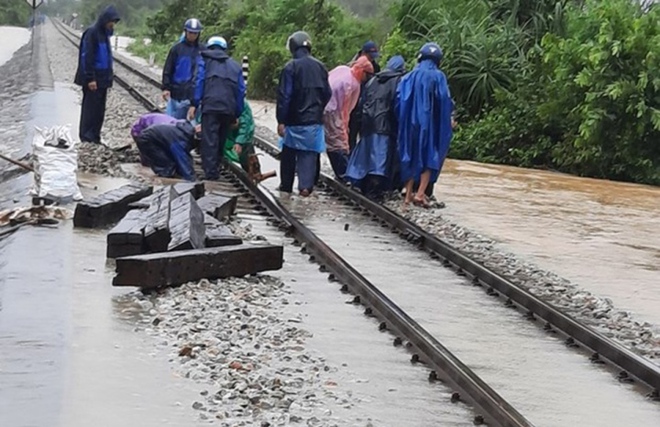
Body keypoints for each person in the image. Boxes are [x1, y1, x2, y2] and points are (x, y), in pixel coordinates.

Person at [396, 42, 454, 208]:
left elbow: (400, 100)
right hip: (429, 124)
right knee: (430, 155)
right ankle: (420, 193)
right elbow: (444, 100)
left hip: (410, 123)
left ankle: (407, 194)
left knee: (409, 153)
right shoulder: (439, 77)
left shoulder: (409, 76)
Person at [276, 31, 332, 197]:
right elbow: (328, 93)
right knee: (309, 153)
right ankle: (305, 187)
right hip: (314, 120)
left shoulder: (290, 67)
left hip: (294, 121)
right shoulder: (320, 67)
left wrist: (281, 120)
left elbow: (285, 96)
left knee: (288, 153)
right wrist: (318, 108)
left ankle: (286, 186)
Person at [345, 56, 406, 200]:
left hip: (368, 123)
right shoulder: (398, 82)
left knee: (365, 156)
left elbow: (362, 102)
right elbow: (398, 105)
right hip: (385, 125)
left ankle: (361, 183)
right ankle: (376, 190)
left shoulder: (372, 80)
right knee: (380, 159)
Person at [189, 36, 246, 181]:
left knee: (209, 139)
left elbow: (199, 82)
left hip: (211, 105)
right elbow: (240, 91)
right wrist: (237, 113)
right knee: (221, 137)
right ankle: (216, 165)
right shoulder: (235, 66)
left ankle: (210, 172)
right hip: (228, 108)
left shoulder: (204, 61)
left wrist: (195, 103)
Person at [74, 5, 120, 144]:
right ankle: (86, 137)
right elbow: (87, 57)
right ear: (105, 19)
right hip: (93, 79)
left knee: (99, 110)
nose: (112, 24)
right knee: (90, 110)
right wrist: (90, 78)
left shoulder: (105, 34)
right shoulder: (92, 33)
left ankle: (95, 136)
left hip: (103, 79)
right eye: (111, 21)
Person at [323, 57, 374, 180]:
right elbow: (345, 109)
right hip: (333, 111)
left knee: (329, 141)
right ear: (362, 72)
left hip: (322, 107)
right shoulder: (351, 84)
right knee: (338, 143)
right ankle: (344, 173)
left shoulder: (342, 69)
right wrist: (345, 129)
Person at [162, 19, 203, 120]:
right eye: (190, 32)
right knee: (172, 122)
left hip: (193, 95)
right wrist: (166, 87)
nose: (192, 35)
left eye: (195, 33)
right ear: (185, 32)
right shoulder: (176, 49)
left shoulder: (203, 50)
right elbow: (168, 68)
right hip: (177, 93)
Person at [134, 121, 199, 182]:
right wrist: (191, 178)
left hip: (155, 138)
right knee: (166, 165)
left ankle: (171, 175)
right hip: (147, 140)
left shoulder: (184, 132)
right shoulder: (180, 139)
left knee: (171, 163)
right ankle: (165, 180)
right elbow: (182, 158)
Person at [348, 41, 381, 151]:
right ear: (363, 53)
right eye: (370, 56)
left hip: (367, 104)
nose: (372, 59)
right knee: (351, 135)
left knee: (365, 135)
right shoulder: (353, 66)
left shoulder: (375, 68)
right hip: (353, 104)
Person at [223, 101, 255, 172]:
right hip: (226, 135)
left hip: (243, 138)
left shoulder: (242, 104)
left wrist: (239, 142)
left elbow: (245, 125)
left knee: (248, 161)